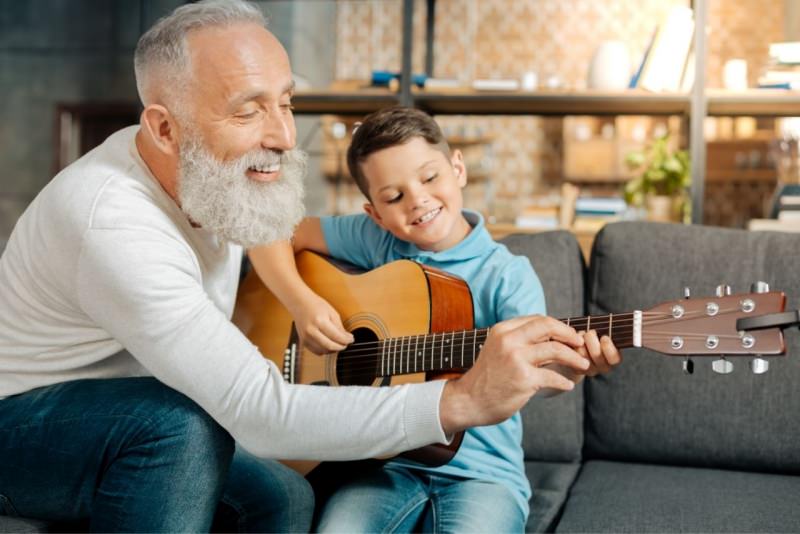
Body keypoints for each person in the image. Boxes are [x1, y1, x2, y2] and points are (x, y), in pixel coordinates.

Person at [0, 1, 600, 531]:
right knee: (178, 426)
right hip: (26, 425)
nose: (286, 136)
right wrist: (460, 402)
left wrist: (297, 297)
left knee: (285, 497)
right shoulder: (110, 221)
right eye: (248, 111)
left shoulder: (209, 175)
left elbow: (271, 229)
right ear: (164, 128)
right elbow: (260, 413)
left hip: (145, 401)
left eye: (286, 102)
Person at [248, 107, 621, 532]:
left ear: (457, 168)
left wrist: (569, 366)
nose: (418, 200)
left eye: (429, 178)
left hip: (483, 475)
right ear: (375, 213)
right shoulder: (378, 240)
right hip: (383, 465)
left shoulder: (507, 275)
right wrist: (301, 303)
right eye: (394, 197)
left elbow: (537, 367)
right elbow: (270, 231)